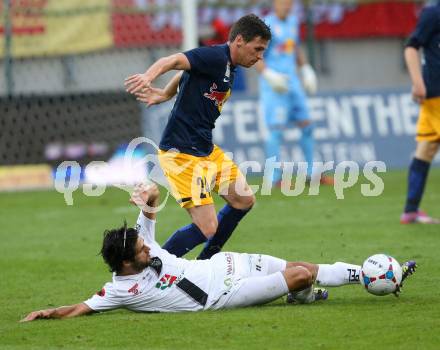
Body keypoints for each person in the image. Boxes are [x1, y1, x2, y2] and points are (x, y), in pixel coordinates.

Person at [20, 183, 416, 321]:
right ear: (126, 263)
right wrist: (45, 313)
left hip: (225, 263)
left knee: (304, 267)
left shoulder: (141, 241)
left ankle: (365, 277)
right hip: (222, 296)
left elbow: (152, 202)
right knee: (300, 276)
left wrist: (147, 194)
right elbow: (80, 308)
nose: (147, 244)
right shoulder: (120, 291)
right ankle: (348, 283)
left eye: (143, 240)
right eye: (142, 248)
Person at [124, 14, 271, 260]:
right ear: (239, 41)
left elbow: (186, 73)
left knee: (243, 199)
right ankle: (152, 268)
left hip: (205, 149)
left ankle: (206, 262)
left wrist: (166, 95)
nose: (259, 56)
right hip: (181, 153)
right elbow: (173, 61)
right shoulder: (215, 56)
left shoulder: (229, 66)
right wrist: (149, 77)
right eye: (257, 49)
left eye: (263, 51)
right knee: (207, 227)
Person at [255, 0, 332, 186]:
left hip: (293, 84)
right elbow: (255, 54)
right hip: (275, 86)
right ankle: (274, 178)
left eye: (290, 1)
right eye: (284, 1)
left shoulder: (293, 22)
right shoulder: (265, 25)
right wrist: (268, 74)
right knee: (276, 131)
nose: (287, 5)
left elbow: (294, 47)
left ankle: (313, 173)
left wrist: (305, 68)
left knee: (307, 126)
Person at [400, 1, 440, 224]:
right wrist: (417, 83)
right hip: (436, 94)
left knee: (426, 149)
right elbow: (411, 47)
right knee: (426, 149)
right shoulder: (434, 13)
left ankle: (411, 210)